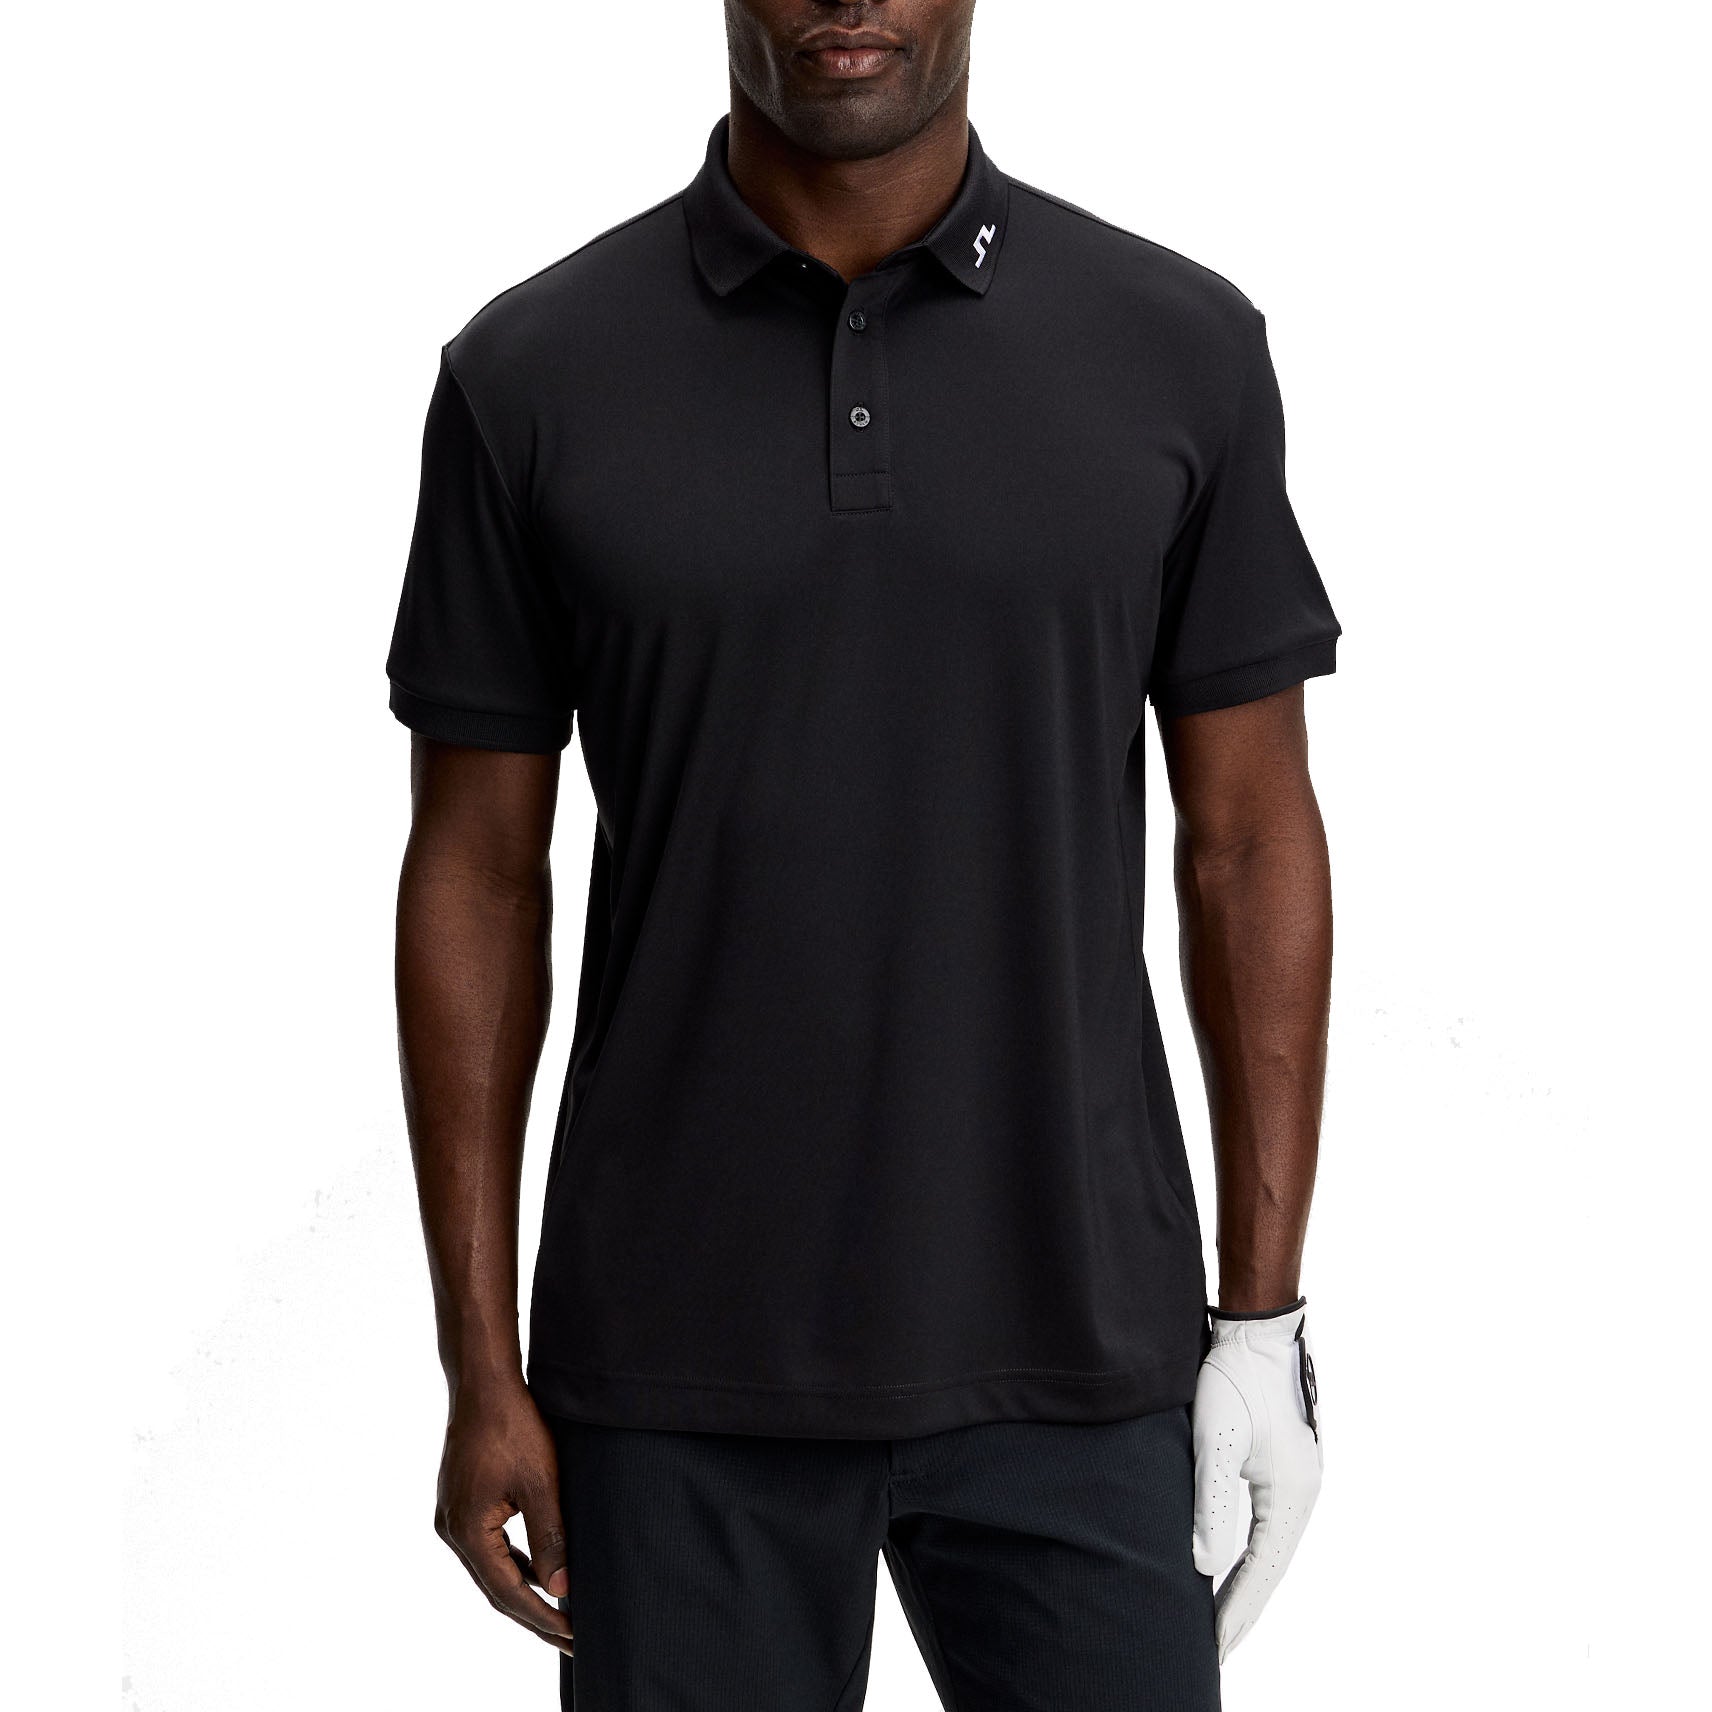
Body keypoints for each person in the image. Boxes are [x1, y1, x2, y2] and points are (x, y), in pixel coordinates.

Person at [385, 2, 1338, 1706]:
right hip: (671, 1370)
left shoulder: (1178, 346)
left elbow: (1250, 837)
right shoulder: (532, 373)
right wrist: (481, 1360)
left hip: (1082, 1348)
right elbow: (475, 874)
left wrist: (1259, 1326)